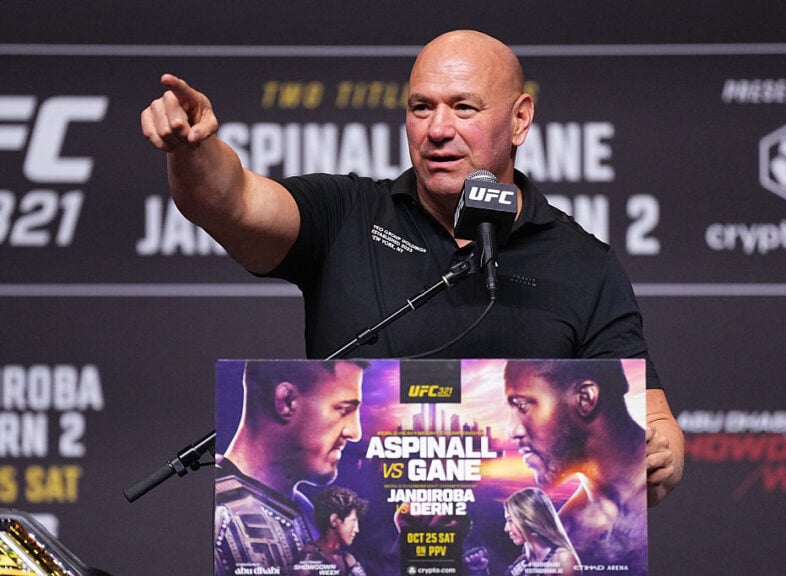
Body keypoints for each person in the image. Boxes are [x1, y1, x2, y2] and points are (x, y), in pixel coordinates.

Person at [142, 27, 682, 520]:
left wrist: (657, 456)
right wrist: (192, 150)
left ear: (520, 118)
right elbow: (232, 201)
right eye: (421, 108)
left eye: (464, 108)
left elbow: (651, 421)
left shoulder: (582, 264)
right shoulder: (346, 216)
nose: (438, 129)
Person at [504, 359, 678, 574]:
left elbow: (660, 419)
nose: (511, 431)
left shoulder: (561, 538)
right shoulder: (564, 531)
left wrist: (670, 464)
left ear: (585, 398)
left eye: (522, 406)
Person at [214, 360, 365, 576]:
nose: (355, 432)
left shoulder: (306, 512)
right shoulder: (216, 516)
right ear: (287, 401)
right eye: (343, 410)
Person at [503, 487, 581, 576]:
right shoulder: (522, 561)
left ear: (529, 518)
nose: (506, 528)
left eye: (510, 520)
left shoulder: (563, 559)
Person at [298, 486, 369, 576]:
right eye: (353, 521)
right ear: (334, 520)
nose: (357, 530)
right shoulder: (308, 557)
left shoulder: (347, 559)